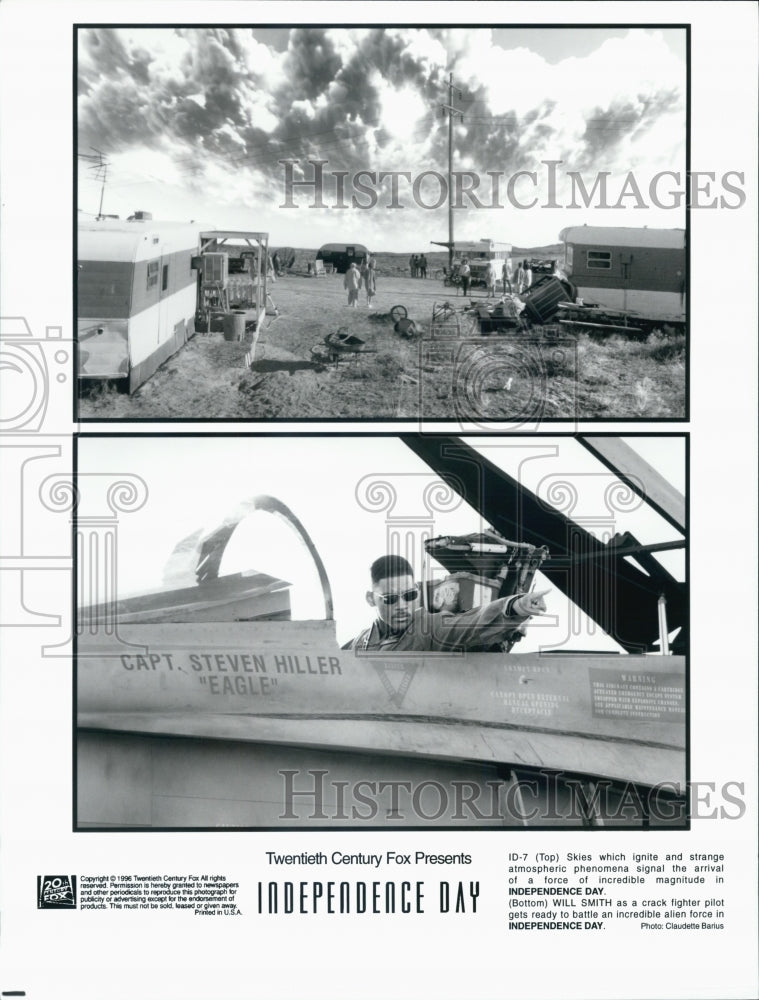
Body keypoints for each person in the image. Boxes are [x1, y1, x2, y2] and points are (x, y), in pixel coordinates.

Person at [347, 554, 549, 652]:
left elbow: (470, 624)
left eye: (409, 595)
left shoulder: (429, 629)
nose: (402, 605)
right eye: (390, 599)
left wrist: (515, 607)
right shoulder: (360, 643)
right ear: (370, 598)